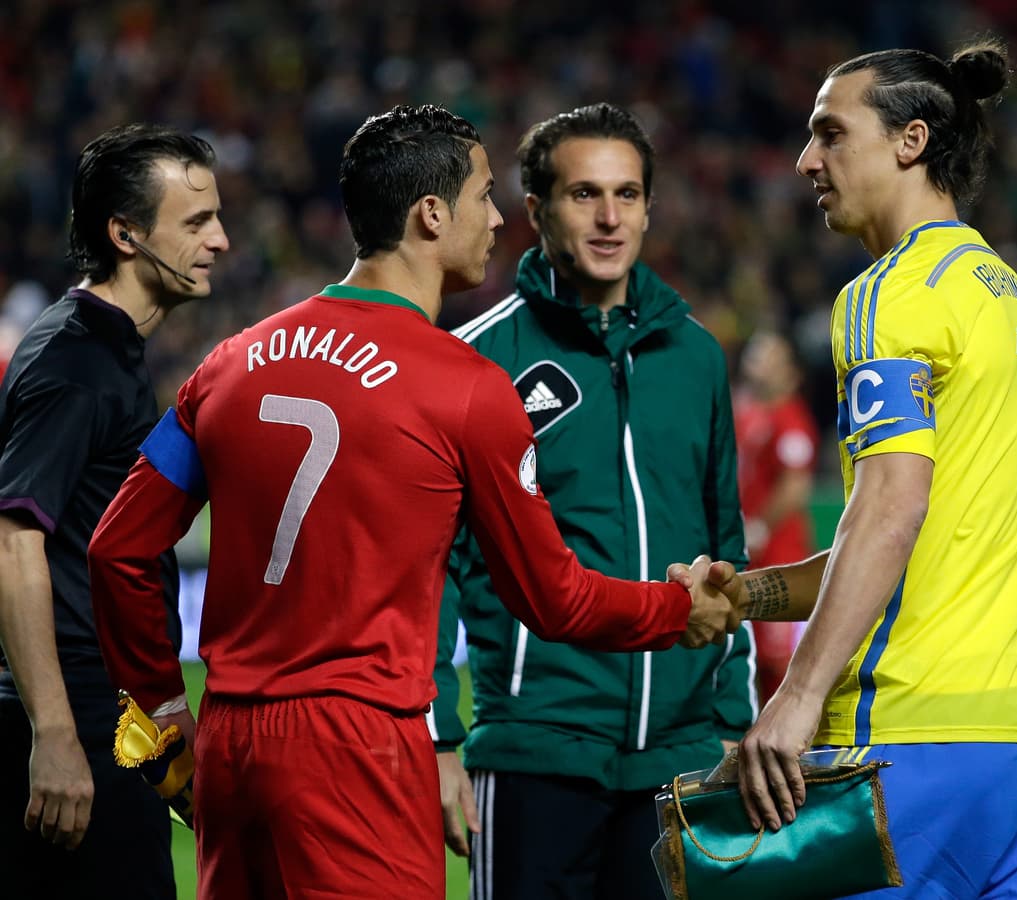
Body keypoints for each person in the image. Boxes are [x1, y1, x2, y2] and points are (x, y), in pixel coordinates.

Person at [85, 104, 735, 900]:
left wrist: (160, 708)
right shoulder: (465, 386)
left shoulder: (230, 362)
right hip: (358, 747)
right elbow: (554, 599)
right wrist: (677, 609)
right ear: (432, 215)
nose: (497, 219)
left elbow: (115, 547)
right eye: (484, 196)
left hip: (229, 742)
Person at [677, 42, 1017, 898]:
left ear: (910, 141)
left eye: (830, 134)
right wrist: (747, 596)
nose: (806, 161)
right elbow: (915, 541)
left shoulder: (889, 293)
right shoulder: (1006, 294)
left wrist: (793, 696)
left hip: (915, 733)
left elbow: (889, 509)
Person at [430, 102, 754, 900]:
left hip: (680, 757)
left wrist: (738, 724)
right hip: (537, 750)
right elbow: (430, 568)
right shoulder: (477, 363)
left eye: (628, 194)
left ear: (649, 206)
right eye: (585, 195)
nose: (610, 218)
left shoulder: (698, 357)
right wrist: (439, 738)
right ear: (535, 211)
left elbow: (726, 547)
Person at [0, 124, 228, 899]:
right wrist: (57, 737)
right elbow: (12, 541)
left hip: (111, 717)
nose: (222, 240)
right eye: (196, 222)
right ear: (125, 234)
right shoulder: (76, 361)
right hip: (79, 724)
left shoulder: (110, 348)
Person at [733, 329, 820, 703]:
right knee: (749, 661)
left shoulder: (791, 419)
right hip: (751, 557)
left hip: (782, 559)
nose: (759, 361)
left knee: (778, 661)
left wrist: (761, 526)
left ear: (790, 371)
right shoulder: (748, 415)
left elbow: (796, 484)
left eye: (770, 355)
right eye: (756, 352)